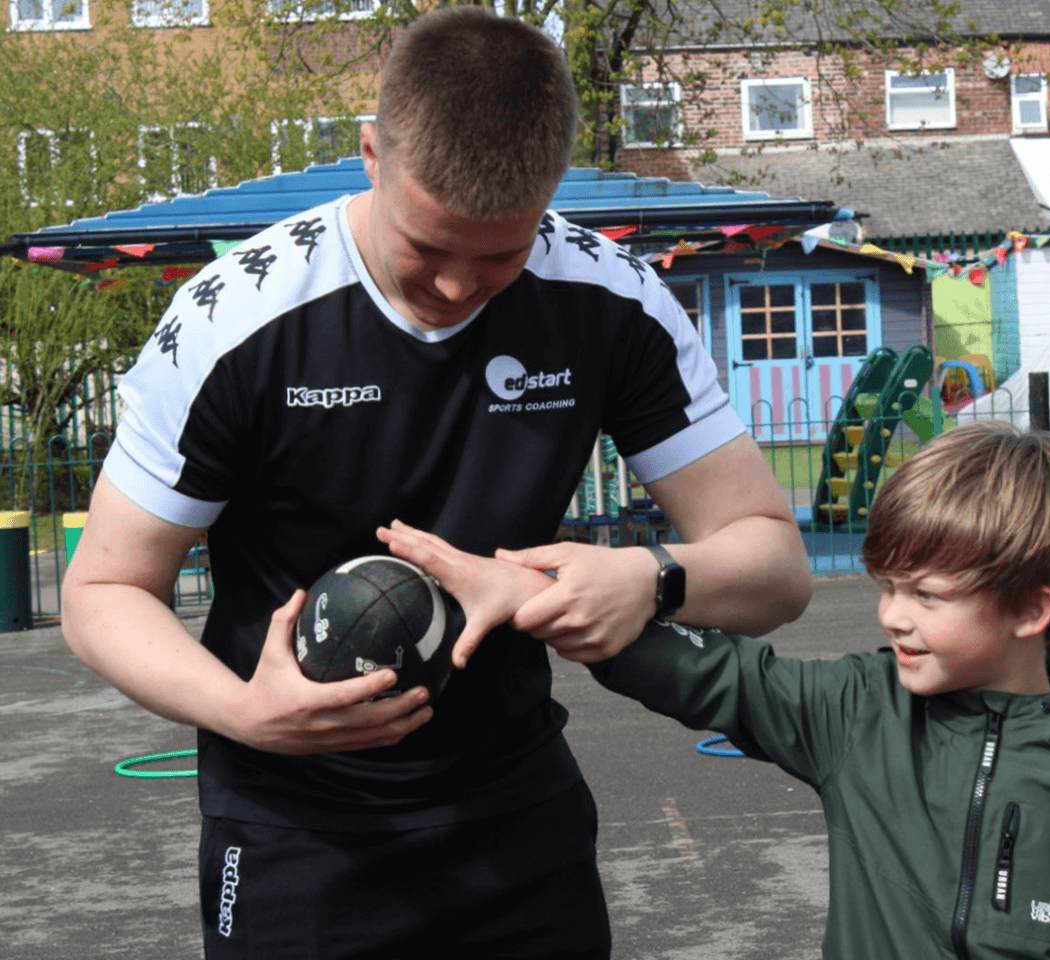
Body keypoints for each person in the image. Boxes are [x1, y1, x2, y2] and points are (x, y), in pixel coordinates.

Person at [60, 8, 811, 958]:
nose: (457, 288)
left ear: (551, 192)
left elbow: (775, 567)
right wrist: (243, 710)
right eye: (426, 246)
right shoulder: (232, 320)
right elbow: (101, 589)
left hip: (515, 815)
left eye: (500, 256)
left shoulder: (614, 300)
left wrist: (650, 577)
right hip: (295, 826)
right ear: (371, 153)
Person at [385, 420, 1050, 960]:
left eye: (927, 596)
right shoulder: (861, 711)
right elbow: (714, 675)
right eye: (888, 587)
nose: (893, 616)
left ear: (1032, 609)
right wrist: (540, 593)